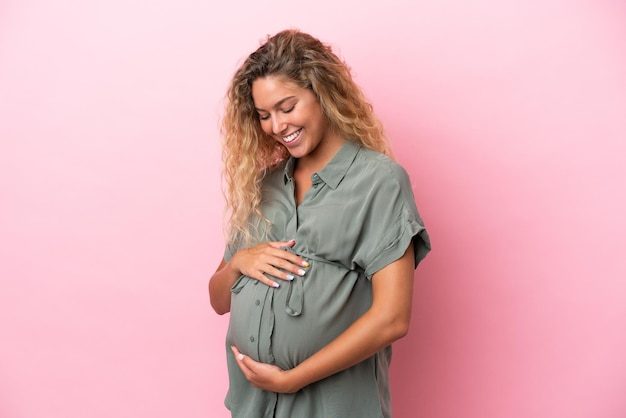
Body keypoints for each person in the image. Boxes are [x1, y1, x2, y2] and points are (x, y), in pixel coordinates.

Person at [208, 29, 430, 418]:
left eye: (287, 106)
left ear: (322, 92)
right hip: (255, 408)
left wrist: (294, 379)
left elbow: (393, 318)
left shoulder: (379, 182)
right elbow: (218, 300)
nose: (277, 126)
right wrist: (240, 262)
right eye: (264, 115)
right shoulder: (263, 185)